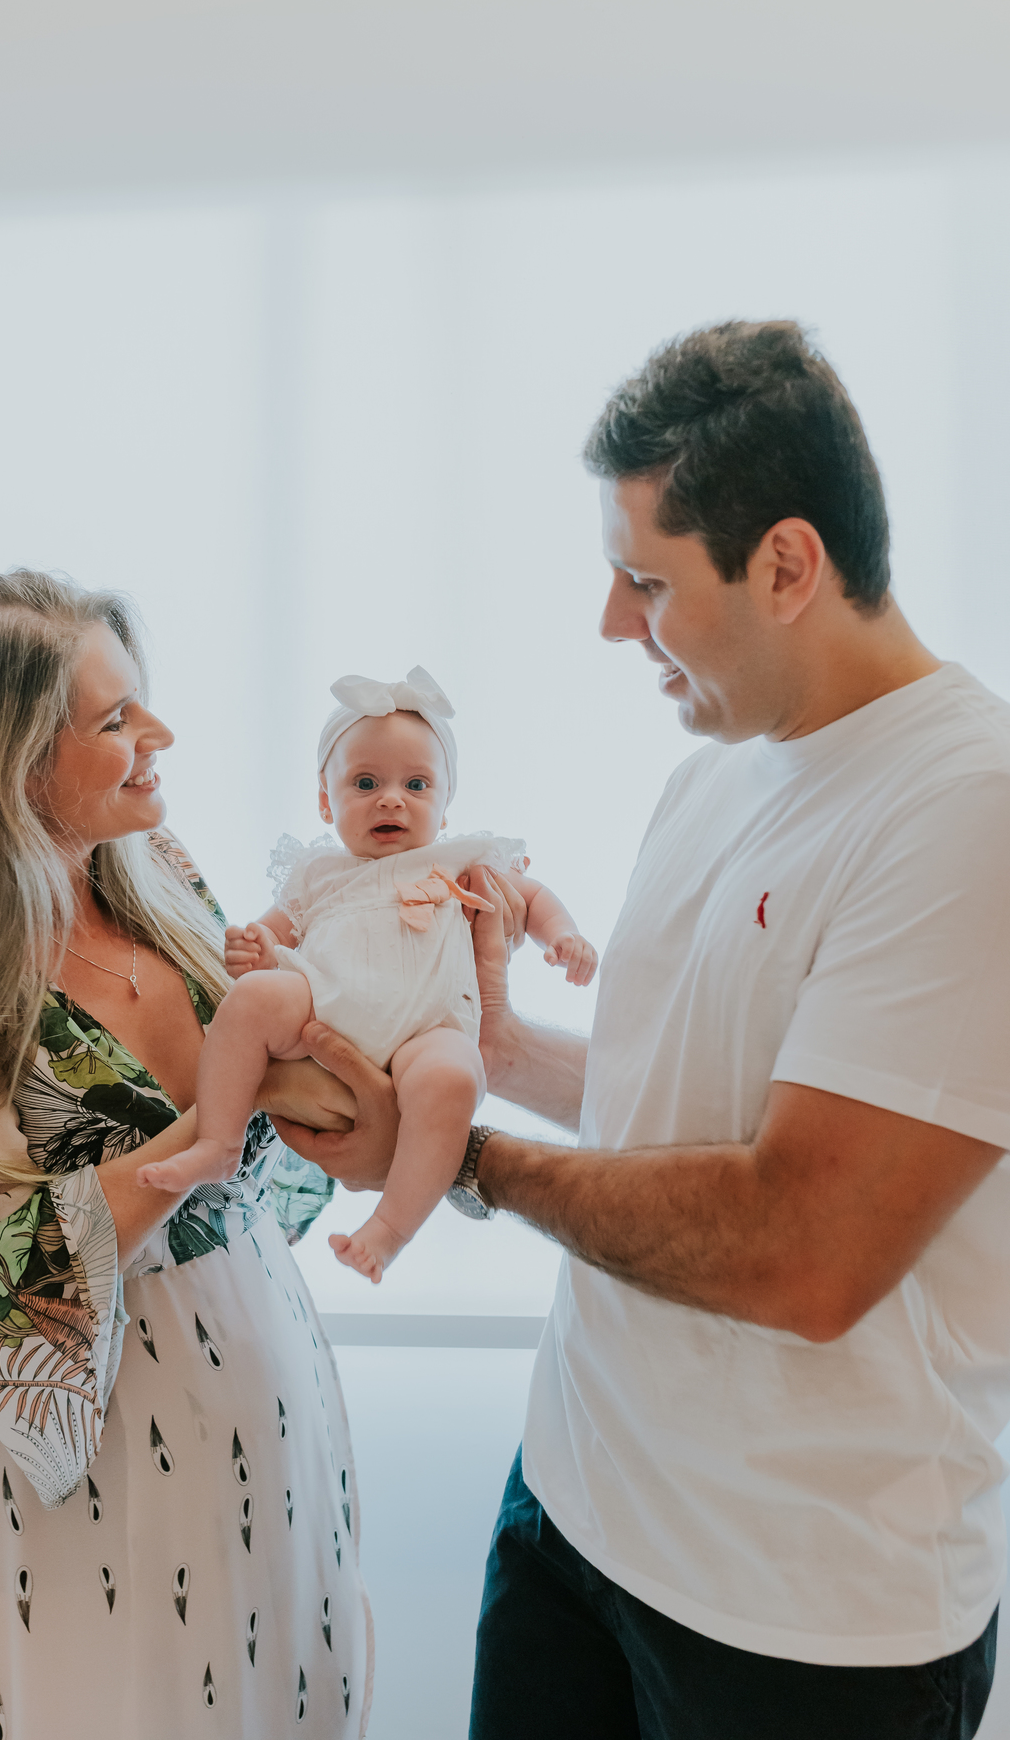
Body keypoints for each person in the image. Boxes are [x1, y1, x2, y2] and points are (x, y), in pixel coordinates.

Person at [302, 322, 1010, 1740]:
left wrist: (461, 1164)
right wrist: (494, 1047)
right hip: (572, 1509)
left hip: (797, 1617)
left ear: (790, 565)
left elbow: (801, 1244)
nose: (614, 626)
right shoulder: (726, 766)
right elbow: (668, 1100)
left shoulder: (964, 813)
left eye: (646, 582)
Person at [0, 571, 403, 1739]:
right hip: (92, 1473)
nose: (159, 738)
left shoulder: (163, 881)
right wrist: (215, 1124)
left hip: (272, 1424)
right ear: (2, 760)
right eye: (115, 720)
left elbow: (275, 1174)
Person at [139, 667, 597, 1283]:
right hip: (322, 1011)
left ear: (445, 802)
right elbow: (272, 931)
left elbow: (533, 896)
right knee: (253, 998)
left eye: (416, 784)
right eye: (365, 783)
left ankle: (390, 1228)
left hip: (427, 1030)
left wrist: (562, 935)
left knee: (455, 1077)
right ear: (326, 801)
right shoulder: (317, 873)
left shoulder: (460, 860)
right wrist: (253, 946)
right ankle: (218, 1144)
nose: (391, 798)